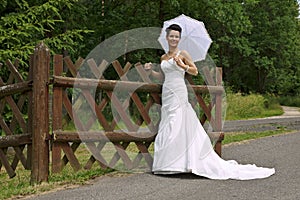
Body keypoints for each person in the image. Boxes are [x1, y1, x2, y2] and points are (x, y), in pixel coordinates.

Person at [145, 24, 275, 180]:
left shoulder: (183, 53)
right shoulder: (164, 58)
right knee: (168, 122)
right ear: (166, 38)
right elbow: (162, 76)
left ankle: (180, 163)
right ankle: (167, 164)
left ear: (179, 39)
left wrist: (183, 65)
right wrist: (150, 71)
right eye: (171, 36)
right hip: (167, 91)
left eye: (177, 36)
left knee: (177, 120)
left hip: (179, 91)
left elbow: (195, 71)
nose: (174, 39)